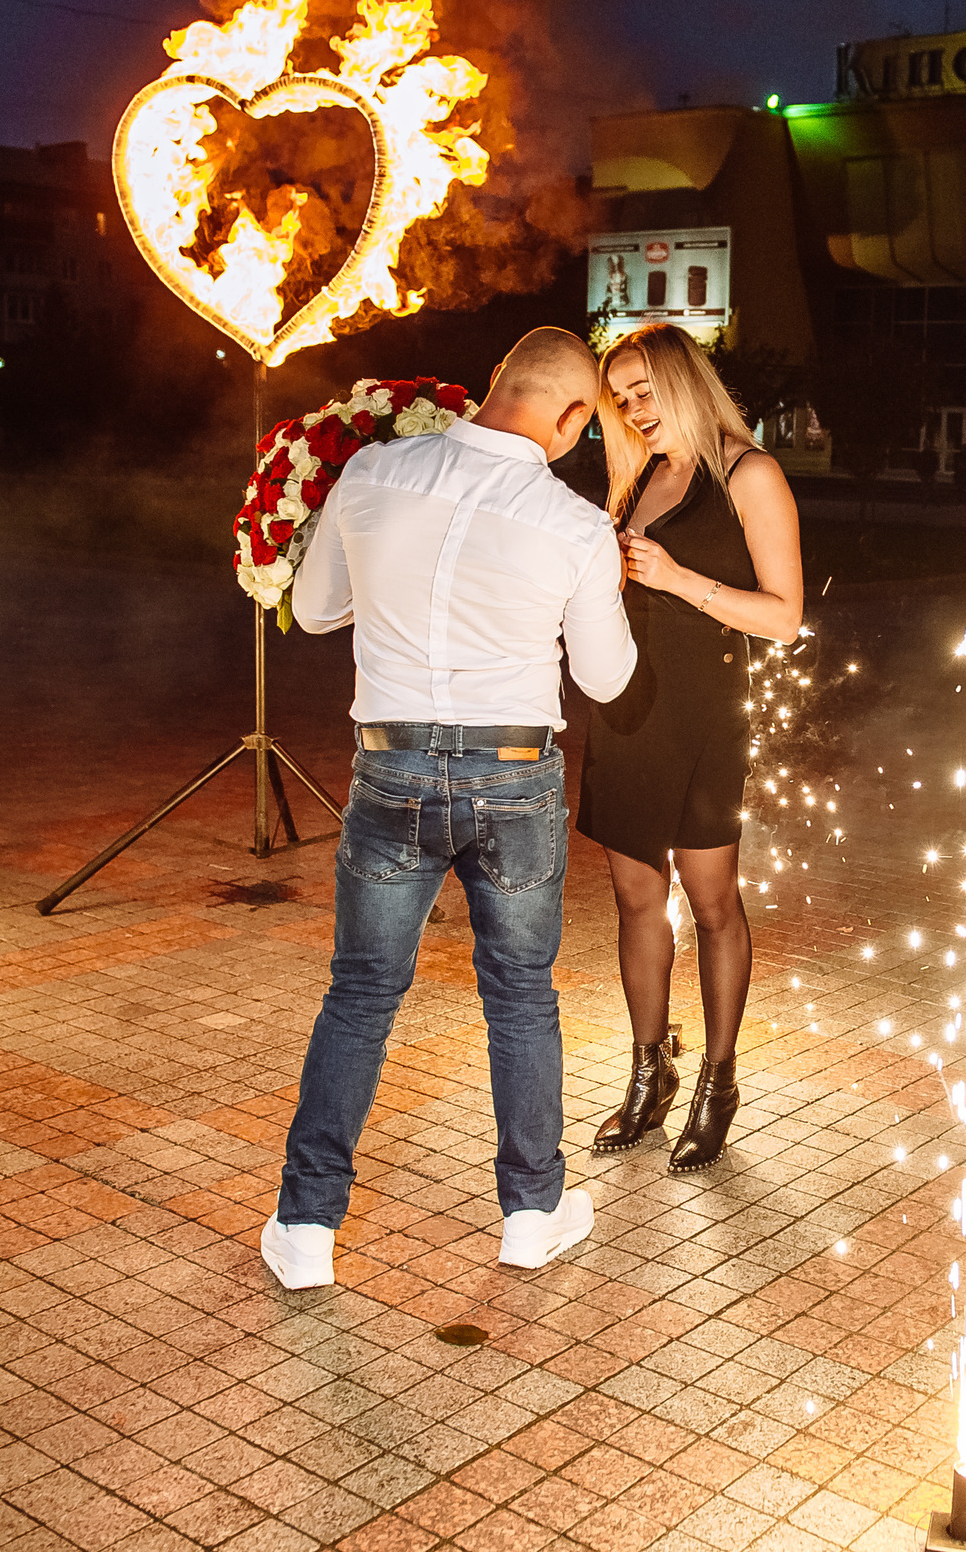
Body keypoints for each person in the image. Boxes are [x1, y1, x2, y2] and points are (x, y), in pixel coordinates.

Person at [261, 328, 636, 1290]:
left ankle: (306, 1230)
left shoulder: (377, 470)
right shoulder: (575, 523)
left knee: (361, 994)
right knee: (519, 994)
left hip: (391, 769)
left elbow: (310, 611)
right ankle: (530, 1212)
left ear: (495, 387)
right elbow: (606, 676)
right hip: (513, 777)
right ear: (569, 416)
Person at [577, 324, 804, 1171]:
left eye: (645, 390)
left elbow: (784, 616)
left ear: (684, 382)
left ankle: (718, 1078)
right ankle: (649, 1075)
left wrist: (676, 578)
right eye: (620, 397)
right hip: (628, 710)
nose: (634, 409)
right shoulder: (633, 479)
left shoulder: (750, 473)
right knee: (637, 897)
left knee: (712, 900)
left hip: (707, 713)